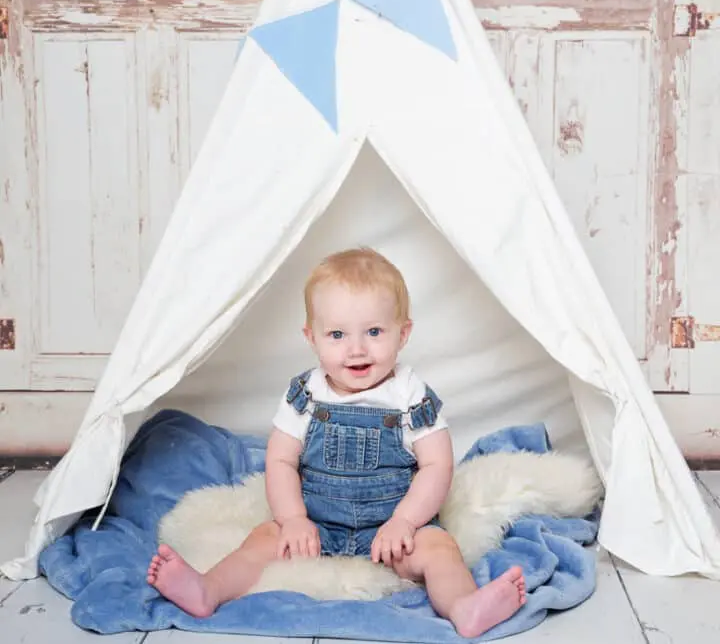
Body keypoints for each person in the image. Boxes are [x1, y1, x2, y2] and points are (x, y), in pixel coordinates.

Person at [148, 247, 526, 637]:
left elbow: (437, 465)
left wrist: (405, 521)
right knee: (262, 539)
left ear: (403, 333)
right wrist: (293, 519)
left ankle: (464, 606)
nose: (357, 348)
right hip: (317, 524)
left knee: (441, 550)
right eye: (337, 334)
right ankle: (206, 589)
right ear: (312, 338)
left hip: (392, 531)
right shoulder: (307, 395)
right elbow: (280, 461)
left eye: (374, 332)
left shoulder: (411, 394)